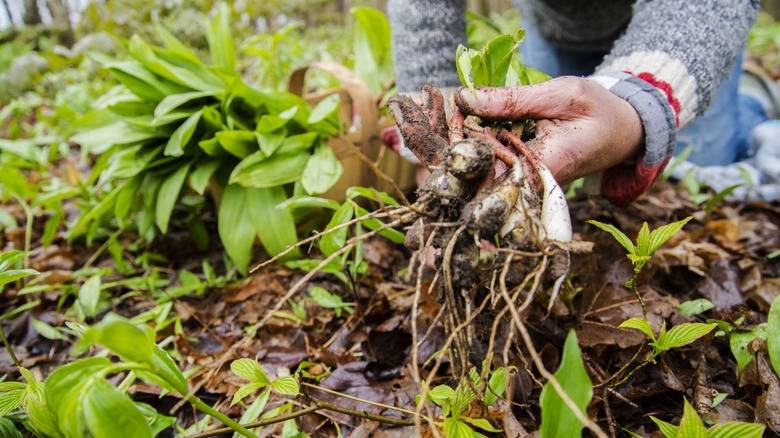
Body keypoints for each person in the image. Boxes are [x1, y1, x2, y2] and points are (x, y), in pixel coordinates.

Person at [385, 0, 780, 207]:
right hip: (555, 27)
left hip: (677, 21)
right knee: (551, 154)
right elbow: (424, 9)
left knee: (702, 167)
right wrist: (432, 149)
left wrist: (639, 99)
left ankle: (751, 103)